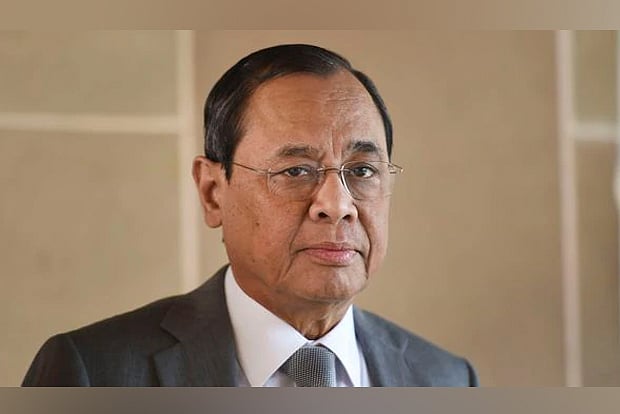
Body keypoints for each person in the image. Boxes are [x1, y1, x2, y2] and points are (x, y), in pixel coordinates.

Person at [22, 44, 478, 387]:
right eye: (296, 171)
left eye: (361, 171)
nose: (338, 205)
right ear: (212, 192)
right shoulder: (95, 374)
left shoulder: (446, 380)